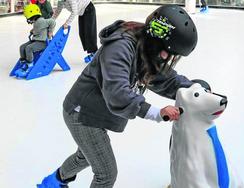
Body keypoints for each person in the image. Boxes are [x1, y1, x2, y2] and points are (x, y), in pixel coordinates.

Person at [37, 4, 198, 188]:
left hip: (94, 112)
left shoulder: (145, 45)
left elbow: (164, 78)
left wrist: (194, 88)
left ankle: (52, 182)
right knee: (106, 173)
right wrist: (156, 112)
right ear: (159, 41)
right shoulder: (120, 46)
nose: (166, 57)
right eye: (168, 53)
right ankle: (53, 182)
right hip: (81, 114)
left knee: (85, 156)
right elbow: (117, 92)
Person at [15, 4, 55, 78]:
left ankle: (29, 65)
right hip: (36, 40)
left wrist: (50, 32)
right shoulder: (37, 21)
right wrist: (33, 30)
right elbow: (39, 28)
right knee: (22, 47)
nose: (28, 19)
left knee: (28, 48)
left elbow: (52, 22)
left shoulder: (41, 21)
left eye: (28, 18)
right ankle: (24, 63)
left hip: (42, 42)